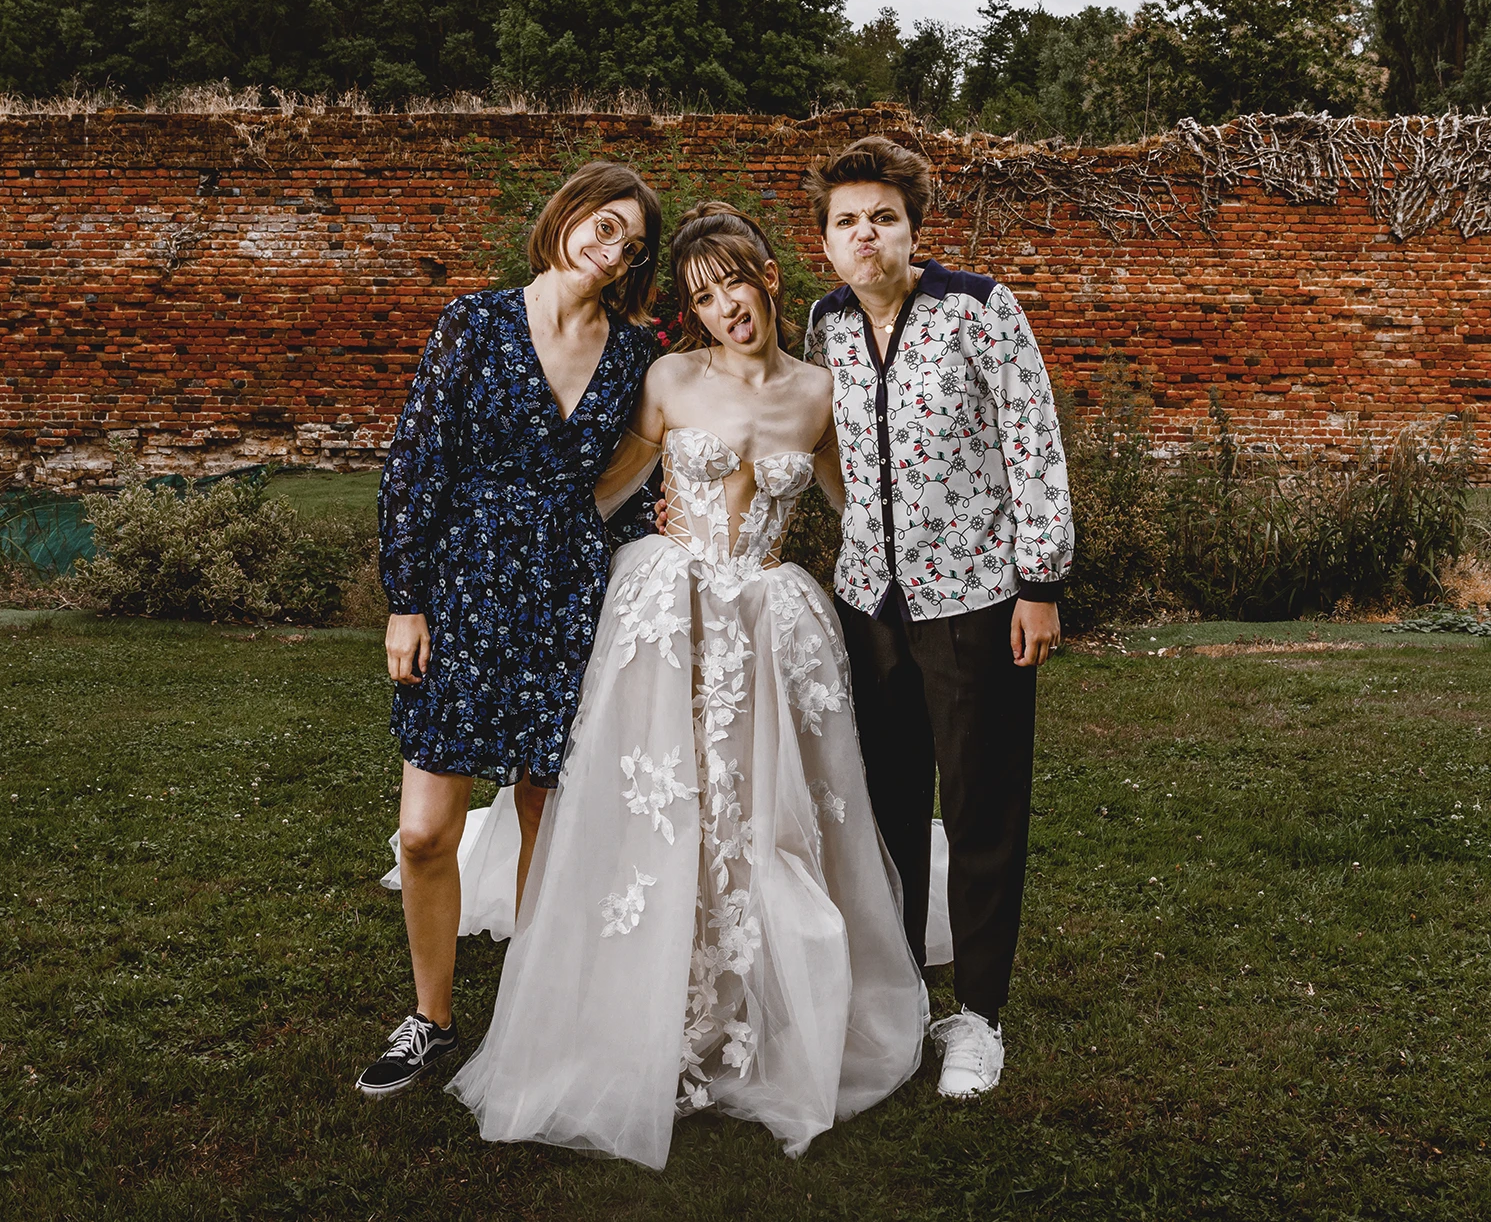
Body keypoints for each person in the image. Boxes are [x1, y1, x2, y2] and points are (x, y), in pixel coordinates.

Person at [446, 203, 927, 1170]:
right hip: (668, 614)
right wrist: (497, 560)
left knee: (766, 810)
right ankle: (649, 1003)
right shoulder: (668, 378)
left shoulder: (820, 394)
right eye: (702, 297)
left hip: (770, 622)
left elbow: (860, 510)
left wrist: (940, 592)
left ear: (767, 282)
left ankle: (756, 1001)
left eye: (734, 286)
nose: (723, 310)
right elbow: (603, 486)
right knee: (660, 803)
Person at [354, 161, 663, 1099]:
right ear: (567, 217)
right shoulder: (475, 321)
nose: (610, 252)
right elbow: (415, 463)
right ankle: (430, 1019)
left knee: (544, 819)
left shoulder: (636, 352)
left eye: (630, 246)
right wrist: (405, 601)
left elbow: (644, 477)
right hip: (464, 589)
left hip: (571, 588)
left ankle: (531, 1021)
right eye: (602, 228)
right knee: (422, 831)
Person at [800, 136, 1073, 1101]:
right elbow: (816, 442)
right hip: (869, 600)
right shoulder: (825, 323)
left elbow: (1032, 440)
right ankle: (903, 994)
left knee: (983, 804)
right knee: (887, 807)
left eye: (882, 216)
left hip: (978, 603)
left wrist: (1038, 581)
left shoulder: (978, 308)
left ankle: (981, 1018)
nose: (864, 233)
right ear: (825, 240)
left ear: (913, 226)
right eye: (846, 221)